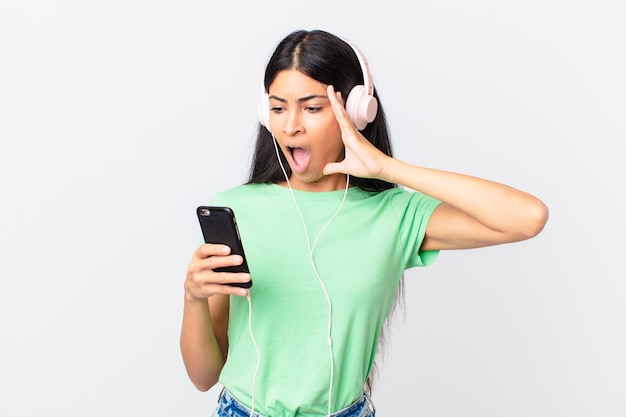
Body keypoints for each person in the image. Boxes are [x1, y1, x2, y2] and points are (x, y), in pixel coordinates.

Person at [180, 29, 548, 417]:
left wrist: (388, 168)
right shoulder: (235, 210)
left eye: (312, 107)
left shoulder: (394, 214)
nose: (291, 127)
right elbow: (204, 376)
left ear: (357, 111)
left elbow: (527, 217)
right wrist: (193, 298)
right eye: (278, 108)